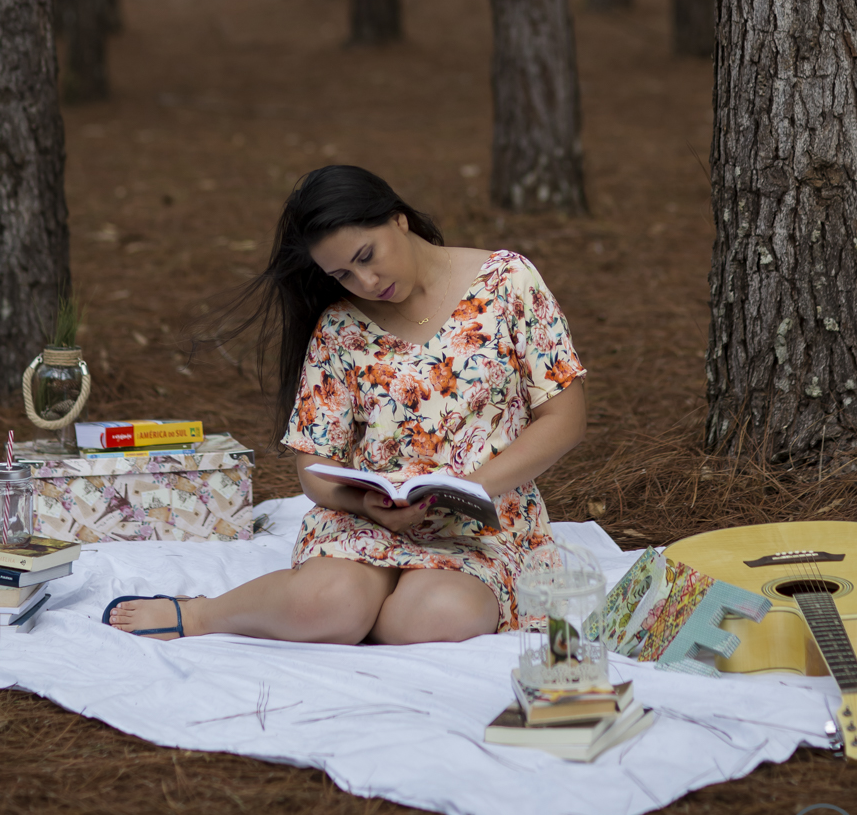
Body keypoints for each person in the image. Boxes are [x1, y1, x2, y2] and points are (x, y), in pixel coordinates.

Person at [104, 165, 586, 643]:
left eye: (367, 255)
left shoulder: (507, 281)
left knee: (438, 617)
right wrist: (365, 505)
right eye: (342, 274)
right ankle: (201, 614)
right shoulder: (339, 326)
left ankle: (357, 614)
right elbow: (315, 466)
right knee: (328, 601)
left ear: (398, 218)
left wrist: (465, 488)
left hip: (485, 522)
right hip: (371, 519)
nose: (367, 281)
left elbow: (564, 419)